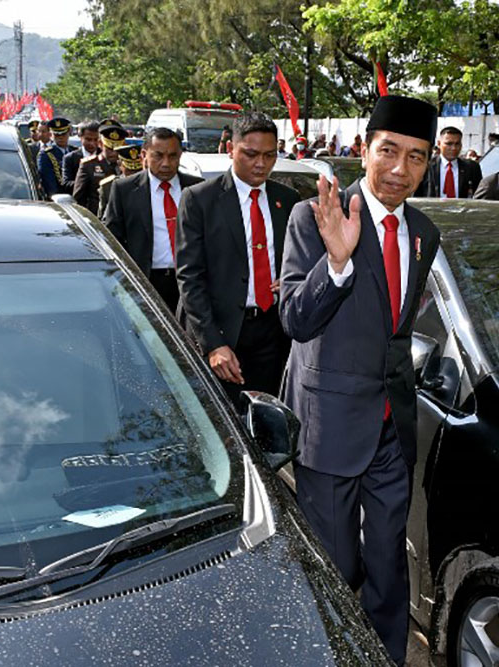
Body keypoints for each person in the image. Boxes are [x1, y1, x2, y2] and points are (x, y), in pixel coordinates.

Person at [279, 94, 440, 667]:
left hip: (392, 425)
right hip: (329, 424)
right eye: (389, 152)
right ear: (363, 150)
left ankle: (388, 658)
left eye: (416, 157)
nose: (400, 170)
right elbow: (296, 319)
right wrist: (338, 264)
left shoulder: (423, 230)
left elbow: (396, 329)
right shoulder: (314, 217)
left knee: (390, 565)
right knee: (335, 563)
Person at [176, 112, 301, 403]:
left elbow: (300, 260)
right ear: (231, 149)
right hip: (223, 334)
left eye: (270, 155)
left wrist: (293, 281)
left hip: (274, 333)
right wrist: (212, 344)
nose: (261, 164)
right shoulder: (199, 200)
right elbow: (190, 278)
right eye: (251, 154)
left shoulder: (288, 200)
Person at [103, 127, 203, 312]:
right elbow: (112, 239)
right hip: (146, 281)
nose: (166, 163)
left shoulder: (198, 188)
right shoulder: (124, 190)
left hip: (191, 282)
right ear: (144, 155)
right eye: (158, 156)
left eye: (173, 156)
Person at [73, 124, 125, 215]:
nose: (113, 153)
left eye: (117, 149)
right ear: (100, 144)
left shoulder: (125, 165)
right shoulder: (88, 165)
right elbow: (78, 198)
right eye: (109, 148)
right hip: (95, 217)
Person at [418, 126, 483, 198]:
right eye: (449, 144)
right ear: (439, 144)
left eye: (457, 144)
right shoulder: (426, 166)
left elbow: (478, 197)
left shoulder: (472, 167)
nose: (453, 148)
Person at [98, 144, 144, 219]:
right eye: (129, 170)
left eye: (137, 170)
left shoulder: (148, 184)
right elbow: (102, 219)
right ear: (120, 165)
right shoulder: (108, 186)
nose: (133, 175)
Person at [37, 118, 73, 197]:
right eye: (57, 134)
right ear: (52, 134)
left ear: (69, 132)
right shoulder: (45, 155)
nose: (60, 137)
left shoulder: (74, 152)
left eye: (63, 134)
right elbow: (49, 184)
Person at [62, 121, 101, 192]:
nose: (92, 143)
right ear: (80, 137)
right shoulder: (70, 158)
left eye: (96, 140)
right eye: (88, 139)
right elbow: (66, 184)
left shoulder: (104, 156)